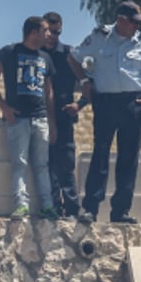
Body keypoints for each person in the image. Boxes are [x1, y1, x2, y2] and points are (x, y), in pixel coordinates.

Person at [69, 0, 141, 225]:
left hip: (133, 102)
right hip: (106, 102)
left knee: (128, 158)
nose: (136, 27)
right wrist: (84, 82)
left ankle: (120, 211)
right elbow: (74, 57)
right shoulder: (100, 36)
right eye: (133, 22)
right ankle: (90, 208)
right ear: (121, 20)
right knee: (100, 154)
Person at [0, 16, 58, 220]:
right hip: (18, 119)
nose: (49, 34)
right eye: (45, 30)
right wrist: (4, 108)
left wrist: (52, 122)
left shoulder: (46, 58)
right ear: (33, 32)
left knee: (42, 165)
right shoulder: (9, 53)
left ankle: (47, 206)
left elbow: (48, 92)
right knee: (20, 163)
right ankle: (21, 205)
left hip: (40, 118)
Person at [42, 11, 86, 218]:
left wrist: (79, 104)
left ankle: (72, 210)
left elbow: (88, 83)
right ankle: (53, 208)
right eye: (49, 31)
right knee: (46, 164)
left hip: (64, 116)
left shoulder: (69, 54)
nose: (52, 36)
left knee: (66, 164)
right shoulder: (35, 54)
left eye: (56, 32)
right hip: (40, 116)